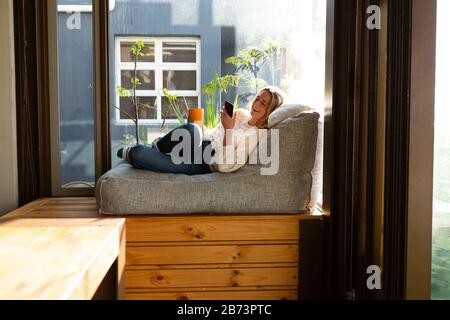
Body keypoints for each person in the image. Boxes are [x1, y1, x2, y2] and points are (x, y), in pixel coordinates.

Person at [117, 86, 284, 175]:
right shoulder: (240, 114)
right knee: (192, 129)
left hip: (201, 163)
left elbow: (224, 166)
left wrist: (229, 129)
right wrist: (216, 126)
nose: (256, 104)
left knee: (138, 152)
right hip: (197, 144)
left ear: (270, 111)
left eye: (264, 104)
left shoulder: (257, 135)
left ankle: (142, 152)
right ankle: (158, 147)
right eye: (257, 99)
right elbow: (212, 134)